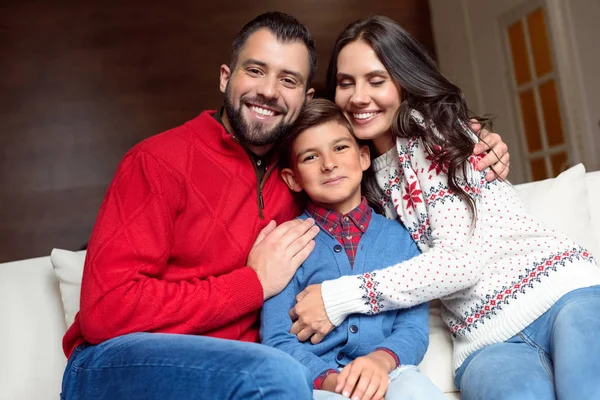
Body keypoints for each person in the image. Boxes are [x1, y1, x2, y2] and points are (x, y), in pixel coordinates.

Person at [60, 12, 511, 400]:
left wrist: (467, 145)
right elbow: (106, 312)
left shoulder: (303, 172)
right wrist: (251, 284)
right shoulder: (158, 161)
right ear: (225, 77)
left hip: (242, 366)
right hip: (118, 362)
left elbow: (390, 179)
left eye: (289, 80)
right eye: (255, 71)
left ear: (306, 99)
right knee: (276, 373)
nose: (269, 92)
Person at [289, 15, 600, 400]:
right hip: (485, 342)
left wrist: (338, 297)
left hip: (562, 294)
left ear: (403, 82)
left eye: (376, 80)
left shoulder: (432, 131)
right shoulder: (359, 176)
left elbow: (461, 262)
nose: (357, 98)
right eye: (346, 83)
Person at [261, 98, 446, 400]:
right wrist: (333, 382)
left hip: (389, 372)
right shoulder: (288, 245)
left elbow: (412, 329)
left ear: (363, 157)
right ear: (292, 179)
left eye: (340, 148)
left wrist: (381, 361)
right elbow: (277, 338)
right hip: (318, 383)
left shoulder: (399, 238)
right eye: (310, 157)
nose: (329, 164)